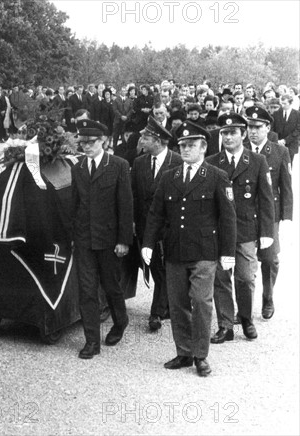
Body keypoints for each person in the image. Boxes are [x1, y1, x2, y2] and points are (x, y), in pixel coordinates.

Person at [142, 121, 236, 377]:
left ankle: (200, 355)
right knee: (178, 303)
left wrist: (228, 252)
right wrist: (148, 243)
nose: (185, 149)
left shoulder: (217, 176)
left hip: (205, 251)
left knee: (201, 302)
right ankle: (183, 352)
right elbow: (156, 214)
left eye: (191, 145)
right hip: (174, 250)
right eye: (182, 145)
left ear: (203, 147)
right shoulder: (169, 176)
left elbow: (227, 217)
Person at [205, 113, 275, 343]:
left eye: (233, 132)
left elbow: (266, 199)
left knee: (245, 277)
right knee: (221, 278)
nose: (228, 137)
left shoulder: (256, 161)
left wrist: (266, 232)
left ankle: (245, 318)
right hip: (219, 231)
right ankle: (225, 325)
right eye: (224, 133)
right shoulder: (213, 162)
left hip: (245, 230)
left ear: (243, 134)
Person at [71, 119, 133, 359]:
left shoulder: (118, 165)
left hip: (109, 240)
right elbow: (75, 205)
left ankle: (120, 321)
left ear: (104, 141)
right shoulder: (77, 168)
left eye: (92, 142)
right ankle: (91, 342)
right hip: (85, 239)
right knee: (86, 290)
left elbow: (125, 205)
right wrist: (73, 237)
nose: (86, 146)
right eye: (83, 142)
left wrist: (123, 240)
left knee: (111, 287)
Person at [131, 117, 182, 331]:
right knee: (155, 268)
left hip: (168, 230)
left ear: (159, 141)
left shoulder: (177, 161)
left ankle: (157, 313)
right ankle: (167, 305)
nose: (141, 140)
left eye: (146, 137)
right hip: (144, 227)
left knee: (162, 271)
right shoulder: (140, 162)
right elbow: (133, 195)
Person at [245, 106, 293, 319]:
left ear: (268, 128)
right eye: (249, 127)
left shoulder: (280, 152)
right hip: (244, 212)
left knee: (270, 258)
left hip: (269, 213)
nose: (252, 131)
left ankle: (268, 296)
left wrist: (286, 215)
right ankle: (244, 304)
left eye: (257, 127)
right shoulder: (241, 149)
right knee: (243, 260)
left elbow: (286, 185)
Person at [272, 94, 299, 164]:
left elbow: (297, 130)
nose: (282, 106)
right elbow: (273, 128)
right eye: (281, 103)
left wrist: (285, 141)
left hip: (291, 144)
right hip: (277, 143)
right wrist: (277, 140)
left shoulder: (297, 114)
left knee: (288, 166)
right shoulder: (276, 113)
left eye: (285, 104)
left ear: (291, 103)